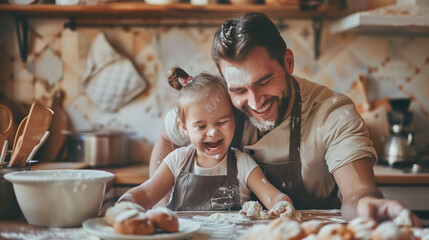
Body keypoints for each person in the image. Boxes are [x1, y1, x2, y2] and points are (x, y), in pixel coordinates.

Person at [149, 13, 422, 226]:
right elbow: (166, 135)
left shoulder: (331, 113)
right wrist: (160, 205)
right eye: (240, 90)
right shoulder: (216, 106)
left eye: (264, 82)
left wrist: (368, 206)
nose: (255, 102)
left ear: (288, 62)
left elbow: (357, 193)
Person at [119, 67, 294, 214]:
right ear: (185, 128)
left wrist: (281, 204)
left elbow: (272, 196)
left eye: (221, 122)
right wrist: (127, 202)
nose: (212, 132)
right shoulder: (177, 161)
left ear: (234, 122)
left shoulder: (243, 164)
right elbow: (146, 194)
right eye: (201, 126)